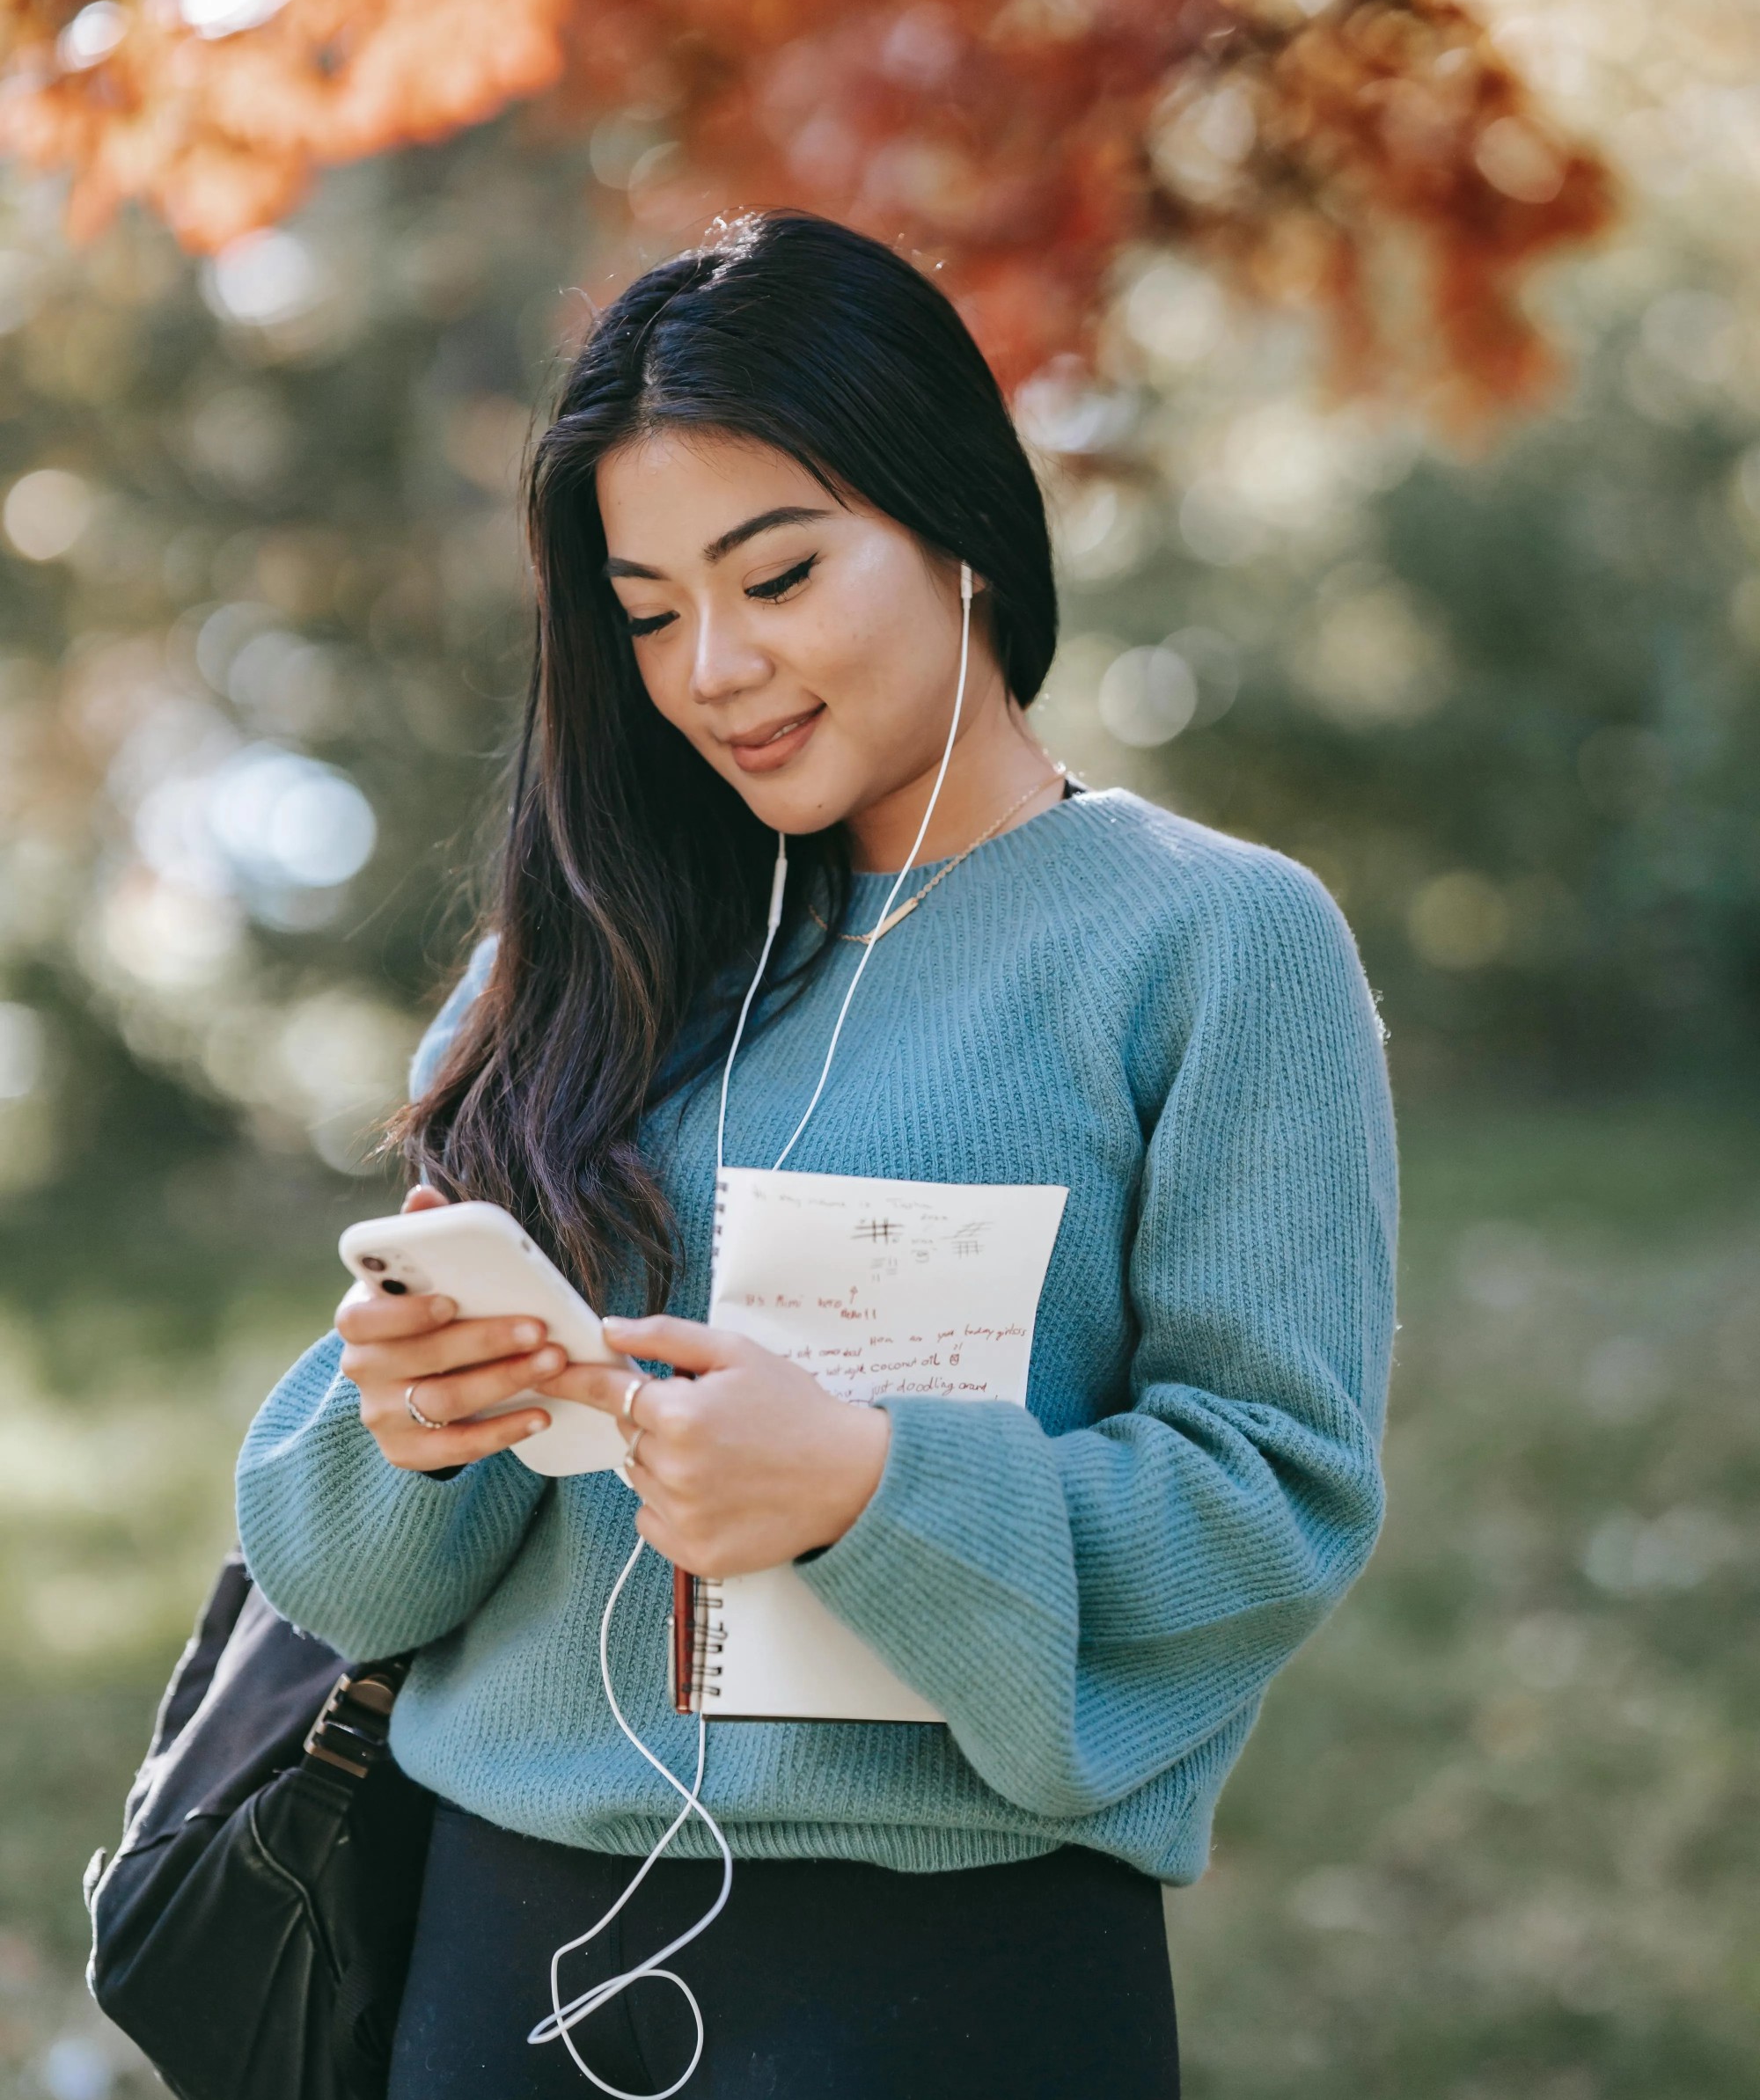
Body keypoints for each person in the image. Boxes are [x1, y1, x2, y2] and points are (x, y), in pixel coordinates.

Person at [236, 209, 1396, 2100]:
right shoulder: (572, 959)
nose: (711, 667)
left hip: (969, 1973)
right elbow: (344, 1589)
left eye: (775, 574)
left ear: (958, 524)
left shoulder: (1211, 941)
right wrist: (410, 1421)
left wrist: (868, 1487)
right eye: (646, 612)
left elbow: (1272, 1500)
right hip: (501, 1958)